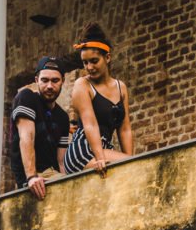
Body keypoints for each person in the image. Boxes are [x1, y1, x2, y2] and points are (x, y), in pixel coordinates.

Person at [63, 23, 133, 176]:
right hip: (83, 150)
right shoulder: (82, 85)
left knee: (135, 166)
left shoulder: (121, 88)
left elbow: (125, 128)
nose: (89, 67)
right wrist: (100, 158)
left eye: (94, 61)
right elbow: (90, 124)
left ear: (107, 57)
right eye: (85, 62)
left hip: (105, 148)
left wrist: (131, 160)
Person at [9, 55, 71, 199]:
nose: (50, 86)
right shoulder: (27, 98)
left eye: (55, 80)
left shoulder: (63, 117)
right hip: (33, 176)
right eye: (45, 80)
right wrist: (31, 177)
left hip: (53, 176)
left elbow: (61, 162)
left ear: (63, 81)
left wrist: (68, 181)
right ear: (37, 80)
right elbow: (26, 137)